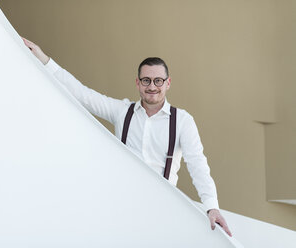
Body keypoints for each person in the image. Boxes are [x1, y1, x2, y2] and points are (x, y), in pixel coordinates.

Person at [22, 37, 232, 237]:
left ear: (168, 83)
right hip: (121, 207)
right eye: (146, 80)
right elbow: (83, 95)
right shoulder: (122, 111)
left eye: (158, 81)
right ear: (138, 83)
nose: (152, 86)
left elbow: (197, 164)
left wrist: (211, 207)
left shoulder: (183, 121)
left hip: (162, 211)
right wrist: (44, 60)